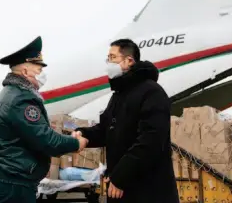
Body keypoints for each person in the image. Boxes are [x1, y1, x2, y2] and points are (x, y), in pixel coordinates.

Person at [0, 36, 88, 203]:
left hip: (8, 183)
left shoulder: (10, 95)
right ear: (25, 71)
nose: (42, 74)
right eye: (39, 70)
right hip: (13, 187)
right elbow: (47, 140)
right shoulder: (21, 99)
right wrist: (76, 143)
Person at [72, 38, 178, 203]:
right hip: (124, 189)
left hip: (148, 191)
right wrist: (84, 134)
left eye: (112, 57)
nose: (108, 63)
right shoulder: (119, 96)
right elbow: (106, 129)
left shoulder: (151, 92)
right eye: (108, 58)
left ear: (129, 61)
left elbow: (151, 141)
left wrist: (120, 177)